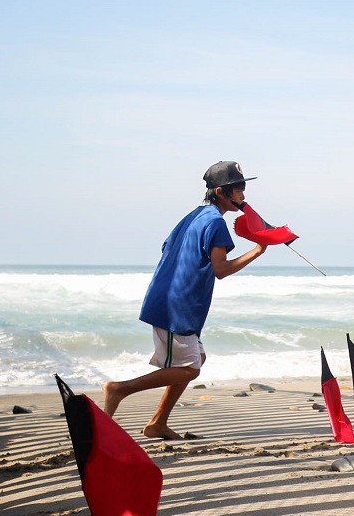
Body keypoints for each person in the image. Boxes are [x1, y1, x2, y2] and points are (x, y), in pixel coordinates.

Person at [103, 161, 268, 439]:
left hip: (173, 300)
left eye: (243, 187)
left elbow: (167, 248)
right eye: (238, 188)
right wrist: (259, 250)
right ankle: (119, 389)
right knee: (190, 369)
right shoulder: (215, 222)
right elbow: (221, 270)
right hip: (175, 307)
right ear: (220, 191)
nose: (243, 194)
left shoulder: (195, 216)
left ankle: (158, 423)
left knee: (197, 360)